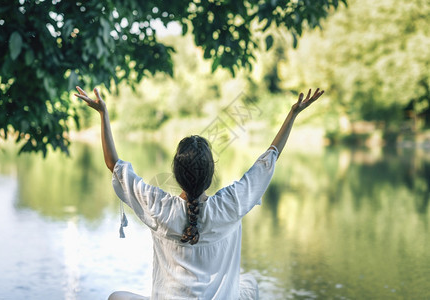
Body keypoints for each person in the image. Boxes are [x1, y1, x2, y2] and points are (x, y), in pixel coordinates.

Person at [74, 86, 324, 300]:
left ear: (176, 171)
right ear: (211, 172)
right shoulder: (231, 204)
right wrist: (292, 114)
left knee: (115, 297)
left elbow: (114, 165)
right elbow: (270, 157)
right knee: (250, 284)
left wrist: (103, 113)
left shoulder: (157, 206)